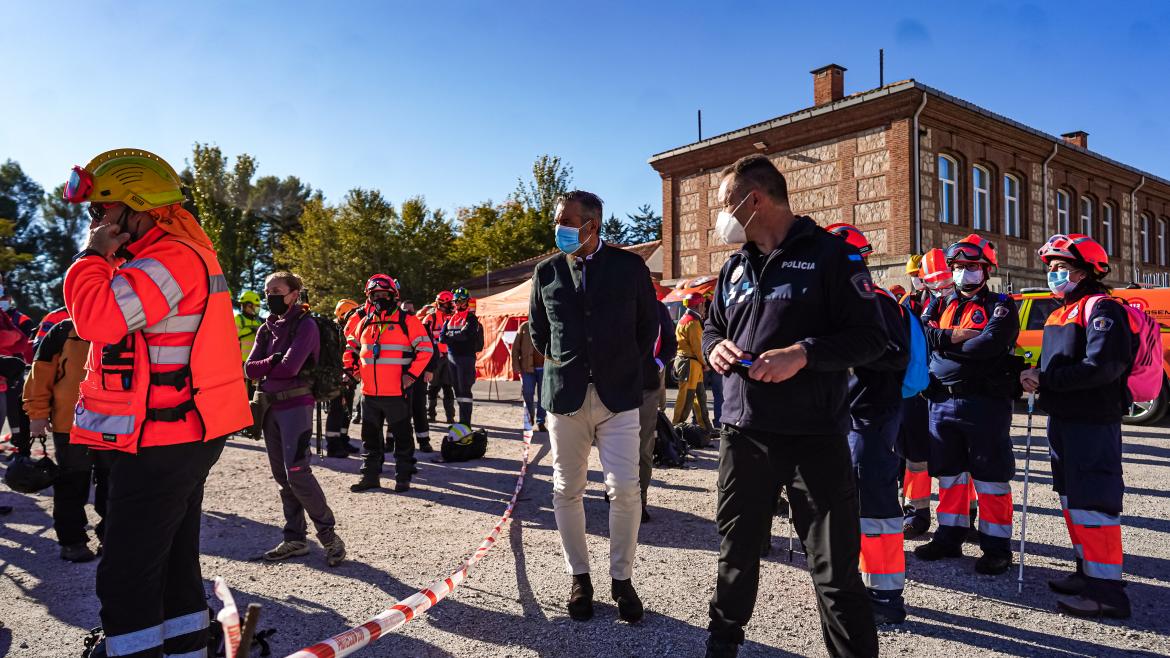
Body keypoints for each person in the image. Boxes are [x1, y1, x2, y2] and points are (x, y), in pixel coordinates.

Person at [61, 148, 252, 657]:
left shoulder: (167, 258)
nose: (96, 221)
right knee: (171, 565)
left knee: (126, 575)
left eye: (102, 210)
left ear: (138, 206)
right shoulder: (167, 255)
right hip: (171, 434)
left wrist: (90, 257)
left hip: (163, 439)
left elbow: (97, 321)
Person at [701, 154, 885, 658]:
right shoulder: (734, 266)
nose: (720, 216)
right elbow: (713, 327)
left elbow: (872, 338)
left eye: (724, 204)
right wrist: (712, 346)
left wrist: (803, 354)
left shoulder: (832, 256)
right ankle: (722, 646)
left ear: (752, 199)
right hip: (745, 433)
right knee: (735, 556)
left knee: (834, 568)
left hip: (815, 437)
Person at [529, 190, 658, 624]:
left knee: (625, 489)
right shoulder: (546, 271)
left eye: (567, 222)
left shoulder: (629, 268)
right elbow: (539, 332)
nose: (559, 229)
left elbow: (647, 328)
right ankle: (579, 577)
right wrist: (570, 365)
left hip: (619, 398)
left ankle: (621, 578)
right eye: (556, 222)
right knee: (566, 490)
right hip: (565, 400)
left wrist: (618, 367)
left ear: (592, 225)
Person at [1021, 234, 1132, 618]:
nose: (1053, 275)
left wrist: (1048, 379)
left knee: (1094, 503)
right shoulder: (1060, 311)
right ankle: (1088, 573)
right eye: (1050, 268)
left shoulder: (1101, 308)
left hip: (1092, 422)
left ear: (1085, 271)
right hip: (1063, 419)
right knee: (1072, 498)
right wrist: (1037, 376)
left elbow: (1103, 366)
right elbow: (1059, 366)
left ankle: (1108, 593)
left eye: (1061, 268)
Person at [914, 233, 1019, 576]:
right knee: (949, 475)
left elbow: (988, 346)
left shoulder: (1001, 304)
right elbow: (921, 335)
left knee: (990, 477)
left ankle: (996, 547)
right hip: (941, 402)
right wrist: (953, 337)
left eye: (971, 266)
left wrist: (942, 345)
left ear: (986, 269)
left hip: (984, 403)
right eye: (957, 266)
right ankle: (949, 535)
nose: (963, 273)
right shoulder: (940, 302)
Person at [827, 223, 911, 625]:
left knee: (876, 502)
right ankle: (859, 579)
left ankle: (886, 594)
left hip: (873, 415)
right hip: (843, 417)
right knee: (850, 502)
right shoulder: (835, 302)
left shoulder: (877, 300)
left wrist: (846, 350)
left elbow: (896, 355)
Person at [245, 271, 346, 567]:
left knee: (298, 473)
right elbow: (249, 369)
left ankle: (328, 535)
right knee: (281, 477)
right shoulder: (266, 328)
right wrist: (273, 362)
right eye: (267, 291)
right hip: (269, 409)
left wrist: (270, 364)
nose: (269, 296)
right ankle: (295, 538)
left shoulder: (307, 325)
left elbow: (290, 368)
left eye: (276, 290)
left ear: (294, 293)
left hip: (296, 407)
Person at [23, 314, 109, 562]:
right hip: (71, 425)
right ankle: (72, 542)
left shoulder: (126, 327)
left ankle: (112, 538)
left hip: (116, 425)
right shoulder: (63, 331)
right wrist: (37, 414)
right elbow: (40, 373)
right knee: (72, 484)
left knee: (114, 485)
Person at [344, 274, 433, 493]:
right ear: (369, 297)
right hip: (369, 394)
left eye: (385, 294)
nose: (380, 298)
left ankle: (402, 477)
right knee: (370, 440)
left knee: (402, 438)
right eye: (375, 295)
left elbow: (426, 349)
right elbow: (351, 347)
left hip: (397, 393)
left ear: (394, 296)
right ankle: (370, 477)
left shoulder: (408, 321)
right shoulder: (364, 321)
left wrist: (411, 376)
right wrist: (351, 370)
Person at [900, 247, 956, 537]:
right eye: (929, 280)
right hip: (917, 388)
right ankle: (916, 511)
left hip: (949, 388)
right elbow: (914, 335)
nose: (936, 286)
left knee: (956, 457)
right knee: (915, 455)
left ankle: (964, 515)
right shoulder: (909, 302)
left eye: (942, 280)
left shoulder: (962, 303)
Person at [637, 297, 677, 522]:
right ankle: (615, 489)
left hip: (646, 387)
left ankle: (639, 500)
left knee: (643, 446)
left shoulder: (658, 308)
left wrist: (658, 364)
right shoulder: (613, 299)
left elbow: (671, 343)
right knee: (612, 446)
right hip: (614, 388)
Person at [324, 298, 361, 457]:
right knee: (337, 408)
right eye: (351, 314)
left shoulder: (350, 328)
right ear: (343, 314)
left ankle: (343, 439)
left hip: (350, 375)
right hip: (338, 375)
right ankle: (333, 444)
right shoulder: (334, 330)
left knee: (346, 409)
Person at [442, 287, 482, 426]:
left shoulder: (471, 318)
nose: (458, 304)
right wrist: (455, 336)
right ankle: (461, 421)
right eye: (456, 301)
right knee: (457, 390)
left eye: (461, 301)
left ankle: (466, 422)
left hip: (466, 358)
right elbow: (442, 338)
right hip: (452, 358)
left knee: (465, 390)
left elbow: (466, 335)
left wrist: (451, 336)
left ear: (467, 302)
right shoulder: (451, 318)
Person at [400, 299, 436, 452]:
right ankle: (394, 442)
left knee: (419, 408)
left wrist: (430, 370)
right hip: (401, 375)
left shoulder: (421, 327)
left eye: (411, 311)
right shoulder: (396, 327)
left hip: (419, 375)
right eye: (405, 311)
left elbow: (432, 350)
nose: (408, 313)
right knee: (400, 410)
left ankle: (423, 441)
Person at [672, 293, 712, 430]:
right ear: (698, 305)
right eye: (703, 305)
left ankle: (706, 428)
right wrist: (705, 363)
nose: (705, 309)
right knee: (686, 398)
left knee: (699, 397)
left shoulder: (685, 319)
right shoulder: (693, 322)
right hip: (690, 364)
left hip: (690, 363)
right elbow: (698, 347)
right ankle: (676, 427)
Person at [425, 291, 457, 424]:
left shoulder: (453, 318)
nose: (451, 306)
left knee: (448, 387)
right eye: (448, 304)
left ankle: (450, 417)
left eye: (451, 303)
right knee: (433, 387)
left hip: (449, 358)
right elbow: (424, 340)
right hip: (435, 359)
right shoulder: (430, 318)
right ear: (440, 304)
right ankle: (431, 414)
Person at [511, 318, 546, 432]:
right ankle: (529, 419)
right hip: (527, 368)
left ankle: (541, 422)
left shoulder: (548, 324)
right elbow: (515, 348)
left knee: (543, 397)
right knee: (527, 393)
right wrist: (516, 366)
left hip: (545, 368)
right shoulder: (524, 326)